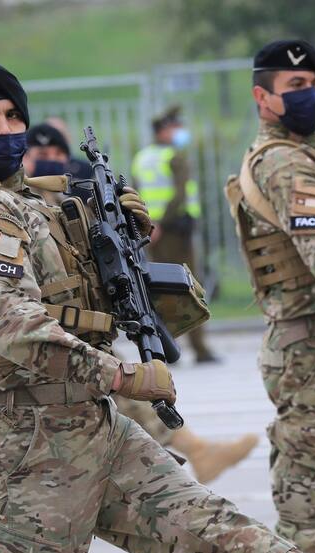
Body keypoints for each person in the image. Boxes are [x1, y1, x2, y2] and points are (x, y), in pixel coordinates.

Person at [0, 59, 315, 553]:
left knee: (233, 545)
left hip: (93, 425)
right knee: (231, 547)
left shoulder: (31, 201)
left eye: (11, 117)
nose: (1, 129)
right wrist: (121, 375)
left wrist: (116, 243)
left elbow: (72, 300)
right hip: (26, 441)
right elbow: (14, 328)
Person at [0, 138, 258, 486]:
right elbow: (8, 308)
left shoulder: (56, 204)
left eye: (57, 154)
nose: (51, 160)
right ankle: (195, 452)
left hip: (73, 350)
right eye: (42, 154)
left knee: (129, 421)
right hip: (40, 363)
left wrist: (129, 235)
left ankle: (194, 451)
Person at [224, 39, 315, 553]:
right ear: (262, 97)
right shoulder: (285, 164)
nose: (310, 95)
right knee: (314, 526)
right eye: (295, 86)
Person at [132, 105, 218, 363]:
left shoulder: (142, 157)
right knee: (189, 287)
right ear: (166, 130)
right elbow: (179, 195)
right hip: (174, 232)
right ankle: (199, 348)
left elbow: (134, 195)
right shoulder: (175, 156)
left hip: (151, 233)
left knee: (159, 289)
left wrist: (146, 225)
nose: (181, 131)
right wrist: (160, 223)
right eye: (177, 127)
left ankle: (168, 348)